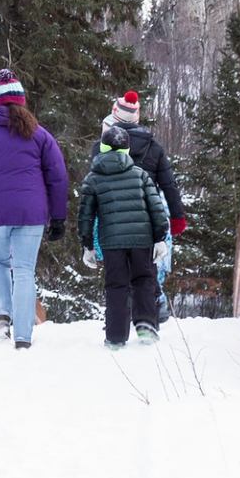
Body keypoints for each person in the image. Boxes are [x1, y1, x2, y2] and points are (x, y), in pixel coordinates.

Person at [0, 69, 69, 350]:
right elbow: (57, 176)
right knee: (23, 270)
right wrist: (58, 217)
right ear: (22, 101)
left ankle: (2, 318)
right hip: (30, 214)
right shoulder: (40, 135)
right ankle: (23, 337)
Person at [78, 124, 170, 349]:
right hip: (142, 239)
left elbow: (85, 215)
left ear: (103, 149)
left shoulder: (93, 179)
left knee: (116, 286)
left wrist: (87, 245)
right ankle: (146, 325)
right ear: (127, 151)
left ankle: (116, 336)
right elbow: (156, 208)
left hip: (112, 243)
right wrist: (160, 238)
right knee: (144, 280)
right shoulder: (140, 175)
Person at [101, 91, 188, 318]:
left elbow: (95, 182)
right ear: (137, 117)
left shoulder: (104, 146)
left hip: (113, 214)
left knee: (119, 266)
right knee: (146, 265)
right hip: (147, 213)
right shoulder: (153, 147)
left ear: (116, 115)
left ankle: (121, 315)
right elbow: (169, 185)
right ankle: (152, 309)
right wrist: (177, 217)